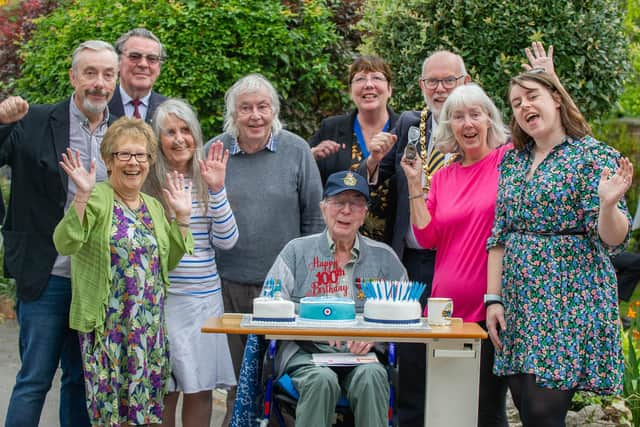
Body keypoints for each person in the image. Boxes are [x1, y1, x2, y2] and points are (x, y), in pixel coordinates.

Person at [486, 67, 632, 426]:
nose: (524, 107)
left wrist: (609, 205)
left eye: (532, 96)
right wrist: (493, 299)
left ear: (556, 98)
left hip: (568, 300)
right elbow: (499, 234)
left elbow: (613, 238)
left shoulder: (592, 156)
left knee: (542, 411)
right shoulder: (512, 160)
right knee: (524, 403)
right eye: (516, 103)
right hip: (520, 300)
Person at [0, 40, 118, 427]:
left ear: (115, 81)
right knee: (33, 380)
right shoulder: (33, 120)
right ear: (73, 77)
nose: (98, 83)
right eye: (90, 73)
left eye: (107, 74)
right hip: (47, 274)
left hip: (98, 281)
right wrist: (1, 123)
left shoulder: (124, 134)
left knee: (81, 381)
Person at [53, 117, 194, 426]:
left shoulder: (153, 206)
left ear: (149, 160)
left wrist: (182, 218)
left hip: (147, 329)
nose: (134, 163)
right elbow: (65, 243)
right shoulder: (98, 198)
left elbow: (164, 263)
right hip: (108, 329)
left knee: (143, 413)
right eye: (124, 155)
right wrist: (81, 196)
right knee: (109, 414)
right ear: (108, 160)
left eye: (141, 155)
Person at [357, 50, 470, 425]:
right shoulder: (410, 124)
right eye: (432, 82)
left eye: (448, 80)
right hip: (413, 261)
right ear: (421, 86)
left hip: (459, 263)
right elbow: (376, 178)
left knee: (455, 361)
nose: (440, 89)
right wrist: (372, 161)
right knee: (410, 362)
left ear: (464, 83)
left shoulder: (474, 129)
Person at [205, 73, 324, 421]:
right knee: (234, 381)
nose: (255, 115)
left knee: (281, 377)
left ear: (274, 110)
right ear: (233, 114)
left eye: (263, 107)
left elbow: (315, 219)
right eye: (246, 108)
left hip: (283, 288)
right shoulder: (215, 150)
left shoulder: (297, 150)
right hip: (227, 284)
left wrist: (309, 278)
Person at [400, 83, 510, 426]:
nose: (467, 123)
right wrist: (415, 184)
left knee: (487, 409)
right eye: (458, 117)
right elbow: (427, 236)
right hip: (445, 310)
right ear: (449, 128)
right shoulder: (445, 176)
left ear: (489, 120)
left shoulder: (507, 162)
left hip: (491, 306)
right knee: (446, 408)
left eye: (475, 114)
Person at [264, 170, 407, 427]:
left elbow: (408, 311)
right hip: (305, 354)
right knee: (321, 380)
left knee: (372, 376)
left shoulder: (385, 259)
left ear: (365, 213)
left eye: (355, 203)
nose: (346, 210)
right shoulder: (296, 252)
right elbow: (270, 303)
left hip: (363, 357)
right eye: (338, 202)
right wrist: (313, 325)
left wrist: (377, 336)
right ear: (323, 208)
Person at [145, 99, 239, 427]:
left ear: (196, 136)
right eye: (170, 132)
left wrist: (217, 190)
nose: (179, 138)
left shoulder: (207, 178)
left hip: (204, 302)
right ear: (158, 140)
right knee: (165, 388)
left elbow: (227, 241)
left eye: (186, 130)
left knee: (199, 388)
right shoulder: (149, 184)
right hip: (164, 302)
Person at [309, 55, 399, 243]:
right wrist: (311, 156)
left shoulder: (405, 131)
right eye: (360, 79)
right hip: (339, 245)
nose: (368, 85)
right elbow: (305, 181)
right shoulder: (330, 129)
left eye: (376, 77)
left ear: (389, 89)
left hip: (394, 247)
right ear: (351, 91)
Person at [109, 28, 167, 122]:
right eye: (134, 56)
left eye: (152, 58)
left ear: (159, 67)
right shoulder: (101, 105)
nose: (143, 64)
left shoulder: (170, 110)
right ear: (118, 62)